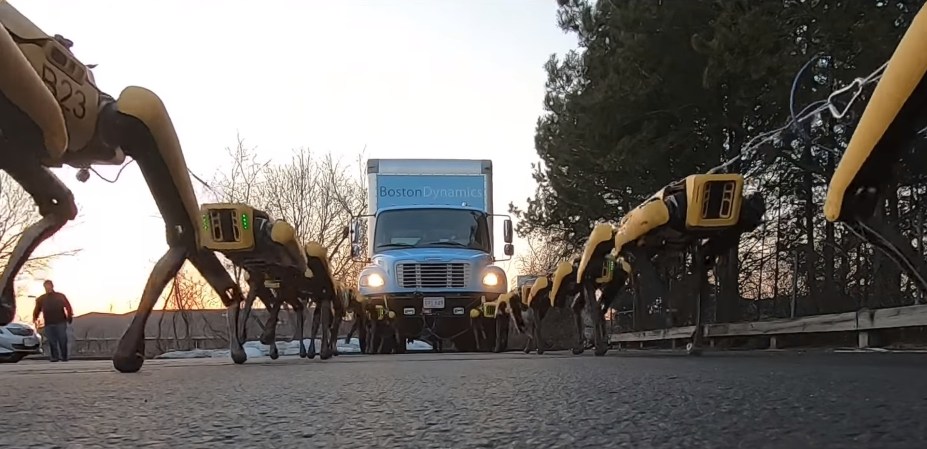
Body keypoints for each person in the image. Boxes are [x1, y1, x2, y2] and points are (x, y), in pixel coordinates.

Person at [32, 280, 73, 362]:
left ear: (52, 286)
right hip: (48, 322)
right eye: (46, 286)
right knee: (51, 340)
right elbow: (37, 309)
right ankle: (55, 356)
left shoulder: (60, 296)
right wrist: (35, 317)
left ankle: (64, 356)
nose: (48, 287)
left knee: (62, 339)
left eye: (49, 286)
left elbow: (68, 306)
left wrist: (69, 316)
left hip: (60, 321)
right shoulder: (41, 299)